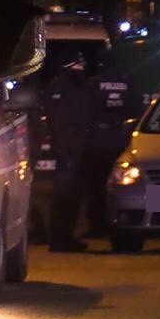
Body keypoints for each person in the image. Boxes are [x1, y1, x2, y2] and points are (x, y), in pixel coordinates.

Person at [82, 52, 143, 237]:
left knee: (97, 186)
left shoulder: (92, 84)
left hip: (97, 142)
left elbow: (84, 110)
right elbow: (137, 108)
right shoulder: (129, 84)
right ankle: (116, 224)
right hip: (121, 140)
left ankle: (97, 226)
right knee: (119, 184)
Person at [45, 51, 94, 252]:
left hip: (77, 149)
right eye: (77, 65)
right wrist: (65, 147)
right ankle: (59, 239)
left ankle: (66, 237)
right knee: (64, 196)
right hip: (68, 151)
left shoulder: (79, 86)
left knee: (73, 196)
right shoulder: (61, 86)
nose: (81, 68)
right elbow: (58, 121)